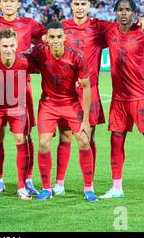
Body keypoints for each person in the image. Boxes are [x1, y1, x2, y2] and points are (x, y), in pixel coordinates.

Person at [51, 0, 144, 196]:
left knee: (88, 138)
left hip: (90, 89)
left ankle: (90, 185)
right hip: (67, 91)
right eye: (76, 4)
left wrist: (141, 20)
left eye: (83, 4)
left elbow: (123, 25)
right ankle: (59, 183)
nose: (80, 8)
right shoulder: (62, 27)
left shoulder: (99, 27)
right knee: (65, 136)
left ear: (89, 5)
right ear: (71, 6)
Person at [0, 0, 46, 195]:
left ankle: (28, 179)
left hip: (23, 86)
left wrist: (35, 52)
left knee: (25, 135)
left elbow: (47, 37)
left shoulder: (29, 24)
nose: (8, 4)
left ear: (18, 4)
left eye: (12, 0)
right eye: (4, 0)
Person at [99, 0, 144, 203]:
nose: (124, 13)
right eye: (120, 10)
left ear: (134, 12)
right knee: (116, 142)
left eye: (128, 10)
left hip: (142, 98)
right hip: (119, 100)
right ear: (115, 13)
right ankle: (117, 187)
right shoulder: (110, 32)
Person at [26, 21, 97, 202]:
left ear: (65, 37)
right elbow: (21, 58)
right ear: (46, 39)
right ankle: (46, 188)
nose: (56, 40)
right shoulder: (40, 52)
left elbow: (87, 87)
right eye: (52, 37)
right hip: (49, 104)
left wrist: (86, 119)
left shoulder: (77, 56)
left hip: (71, 103)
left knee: (83, 140)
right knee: (43, 143)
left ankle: (89, 188)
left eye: (59, 37)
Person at [0, 29, 35, 200]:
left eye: (11, 45)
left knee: (21, 140)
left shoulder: (25, 61)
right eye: (4, 46)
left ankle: (21, 186)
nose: (8, 49)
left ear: (17, 45)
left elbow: (46, 66)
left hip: (17, 106)